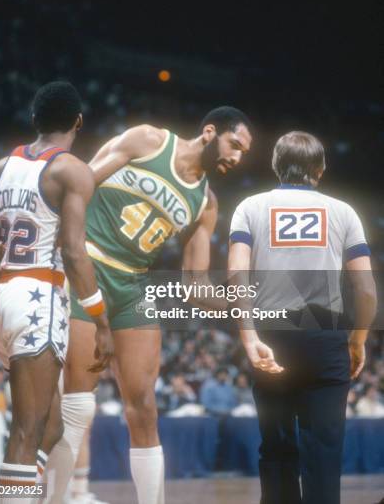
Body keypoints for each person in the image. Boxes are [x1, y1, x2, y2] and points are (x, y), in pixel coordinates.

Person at [44, 106, 252, 504]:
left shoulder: (206, 204)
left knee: (144, 407)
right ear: (210, 132)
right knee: (79, 403)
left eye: (243, 152)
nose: (237, 157)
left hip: (133, 285)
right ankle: (55, 499)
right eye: (234, 144)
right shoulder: (148, 140)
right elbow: (79, 183)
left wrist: (238, 302)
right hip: (88, 264)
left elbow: (195, 285)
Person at [0, 82, 111, 504]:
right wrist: (100, 317)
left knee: (49, 427)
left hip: (1, 299)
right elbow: (73, 252)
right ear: (79, 122)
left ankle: (4, 496)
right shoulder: (71, 170)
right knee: (28, 430)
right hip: (39, 297)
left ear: (34, 119)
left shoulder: (3, 165)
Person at [228, 131, 377, 504]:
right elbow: (367, 291)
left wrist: (248, 337)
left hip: (271, 336)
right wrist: (357, 340)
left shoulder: (250, 207)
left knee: (277, 449)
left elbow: (236, 276)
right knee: (324, 453)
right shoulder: (344, 211)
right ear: (321, 169)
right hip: (326, 339)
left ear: (276, 165)